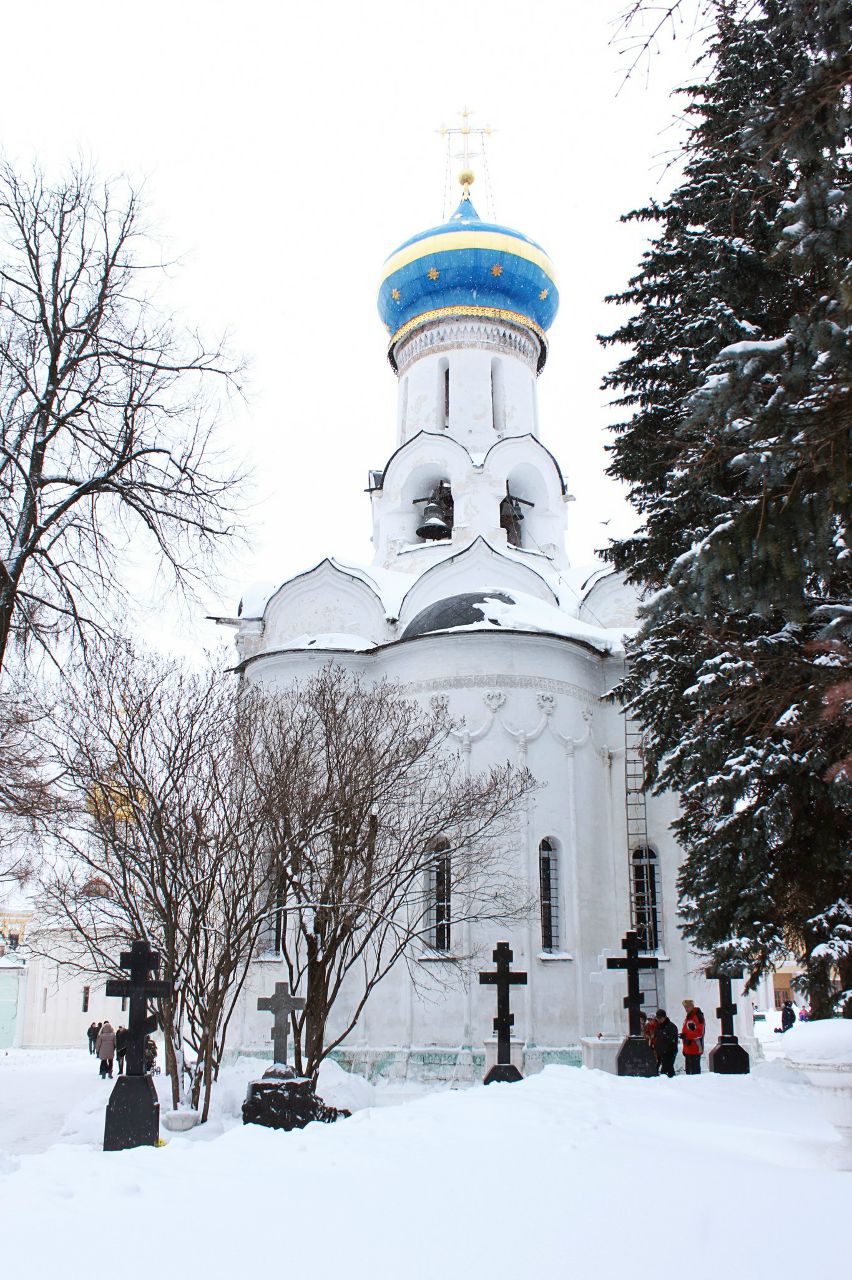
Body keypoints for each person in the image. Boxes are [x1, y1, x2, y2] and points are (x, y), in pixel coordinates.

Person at [681, 999, 704, 1074]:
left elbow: (699, 1033)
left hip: (695, 1049)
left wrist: (686, 1036)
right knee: (689, 1073)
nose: (686, 1009)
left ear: (692, 1006)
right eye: (685, 1007)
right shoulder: (689, 1017)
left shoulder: (697, 1016)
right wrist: (683, 1035)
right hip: (688, 1048)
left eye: (688, 1007)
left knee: (694, 1073)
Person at [653, 1009, 678, 1077]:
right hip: (660, 1053)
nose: (658, 1020)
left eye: (660, 1018)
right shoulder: (658, 1027)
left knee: (665, 1072)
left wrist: (667, 1051)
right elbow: (656, 1038)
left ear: (664, 1017)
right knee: (669, 1072)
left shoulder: (671, 1027)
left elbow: (673, 1042)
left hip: (669, 1053)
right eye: (657, 1018)